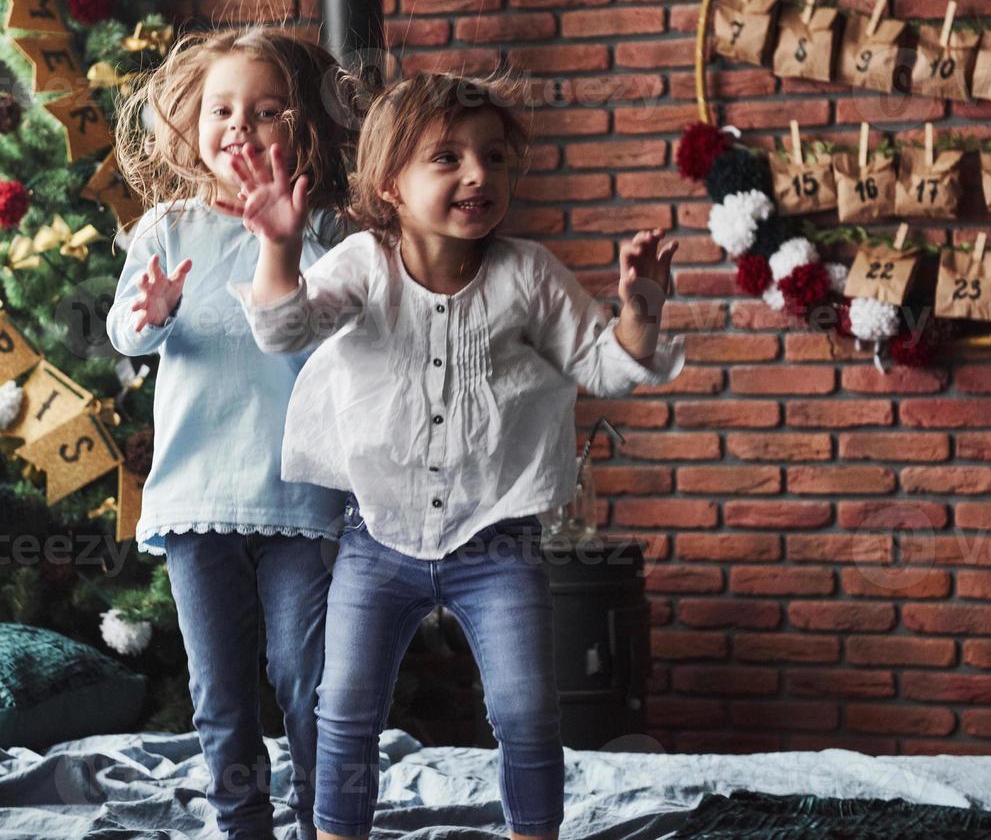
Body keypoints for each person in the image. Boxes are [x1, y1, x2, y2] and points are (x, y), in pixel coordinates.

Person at [228, 70, 685, 840]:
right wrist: (278, 249)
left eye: (496, 157)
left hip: (496, 540)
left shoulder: (529, 275)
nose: (479, 174)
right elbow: (283, 330)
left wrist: (638, 313)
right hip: (375, 539)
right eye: (447, 158)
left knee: (527, 710)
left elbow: (605, 367)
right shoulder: (362, 267)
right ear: (391, 184)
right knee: (344, 710)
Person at [105, 24, 360, 840]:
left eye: (266, 111)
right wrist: (149, 315)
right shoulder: (166, 231)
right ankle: (243, 825)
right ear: (194, 122)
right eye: (222, 109)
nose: (239, 128)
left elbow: (343, 349)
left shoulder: (326, 235)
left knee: (308, 677)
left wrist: (284, 243)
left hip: (301, 499)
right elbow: (126, 336)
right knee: (219, 691)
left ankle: (329, 822)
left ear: (305, 127)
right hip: (194, 498)